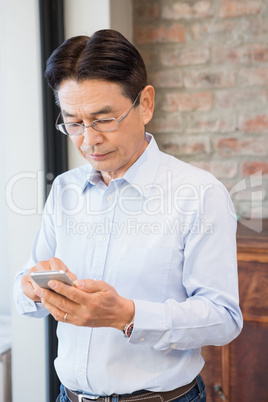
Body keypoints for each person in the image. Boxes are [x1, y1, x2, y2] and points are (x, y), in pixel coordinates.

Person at [14, 29, 243, 402]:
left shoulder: (200, 194)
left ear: (146, 104)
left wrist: (126, 315)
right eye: (73, 122)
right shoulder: (66, 190)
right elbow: (25, 284)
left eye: (104, 119)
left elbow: (223, 319)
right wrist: (33, 288)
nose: (88, 140)